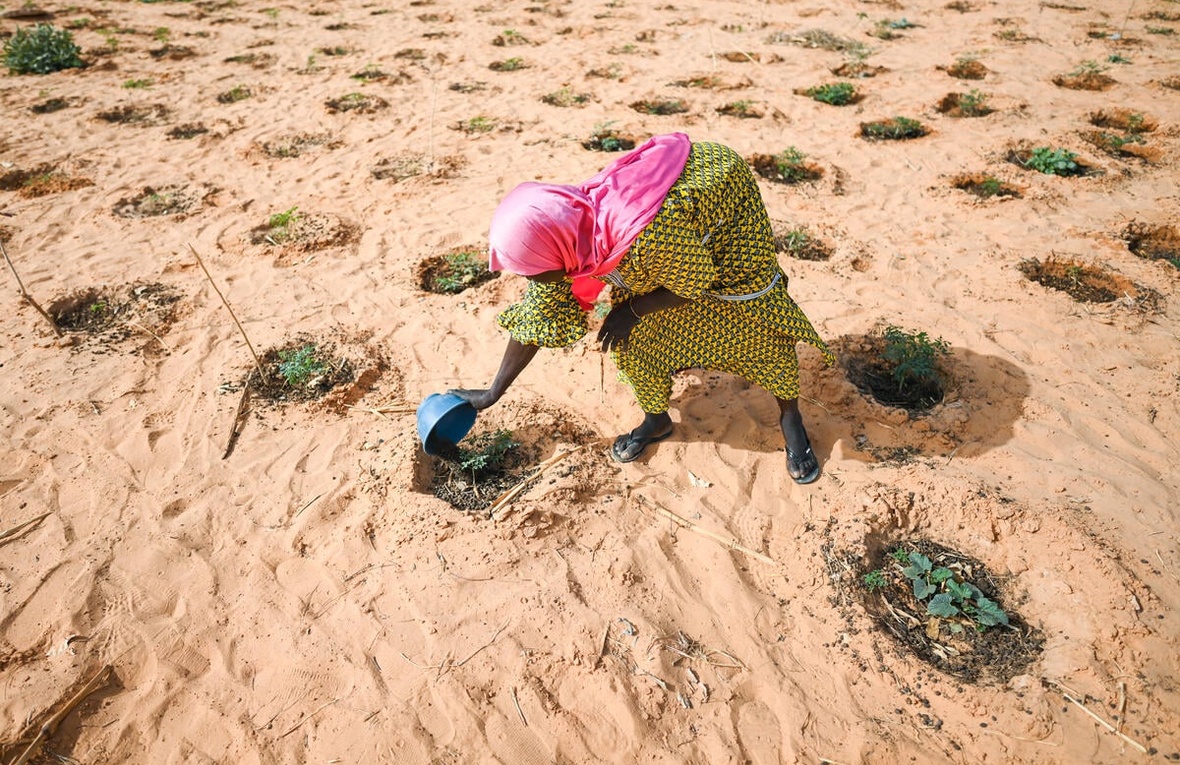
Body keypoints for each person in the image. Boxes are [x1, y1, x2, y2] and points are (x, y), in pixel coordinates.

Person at [450, 133, 834, 484]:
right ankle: (656, 420)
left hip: (719, 206)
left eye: (534, 270)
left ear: (554, 253)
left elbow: (695, 283)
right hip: (668, 245)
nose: (532, 280)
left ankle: (790, 416)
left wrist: (630, 311)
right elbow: (538, 317)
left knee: (755, 328)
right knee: (635, 345)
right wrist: (492, 392)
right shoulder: (571, 237)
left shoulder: (646, 237)